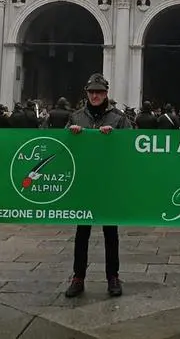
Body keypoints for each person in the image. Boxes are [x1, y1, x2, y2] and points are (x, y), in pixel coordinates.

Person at [64, 74, 132, 299]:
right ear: (87, 93)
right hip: (84, 182)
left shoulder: (119, 119)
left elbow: (131, 145)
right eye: (92, 92)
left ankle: (113, 276)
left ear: (106, 94)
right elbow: (63, 148)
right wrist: (71, 135)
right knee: (81, 232)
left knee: (110, 233)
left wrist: (116, 138)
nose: (95, 95)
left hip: (108, 183)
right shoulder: (75, 117)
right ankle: (78, 277)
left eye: (99, 92)